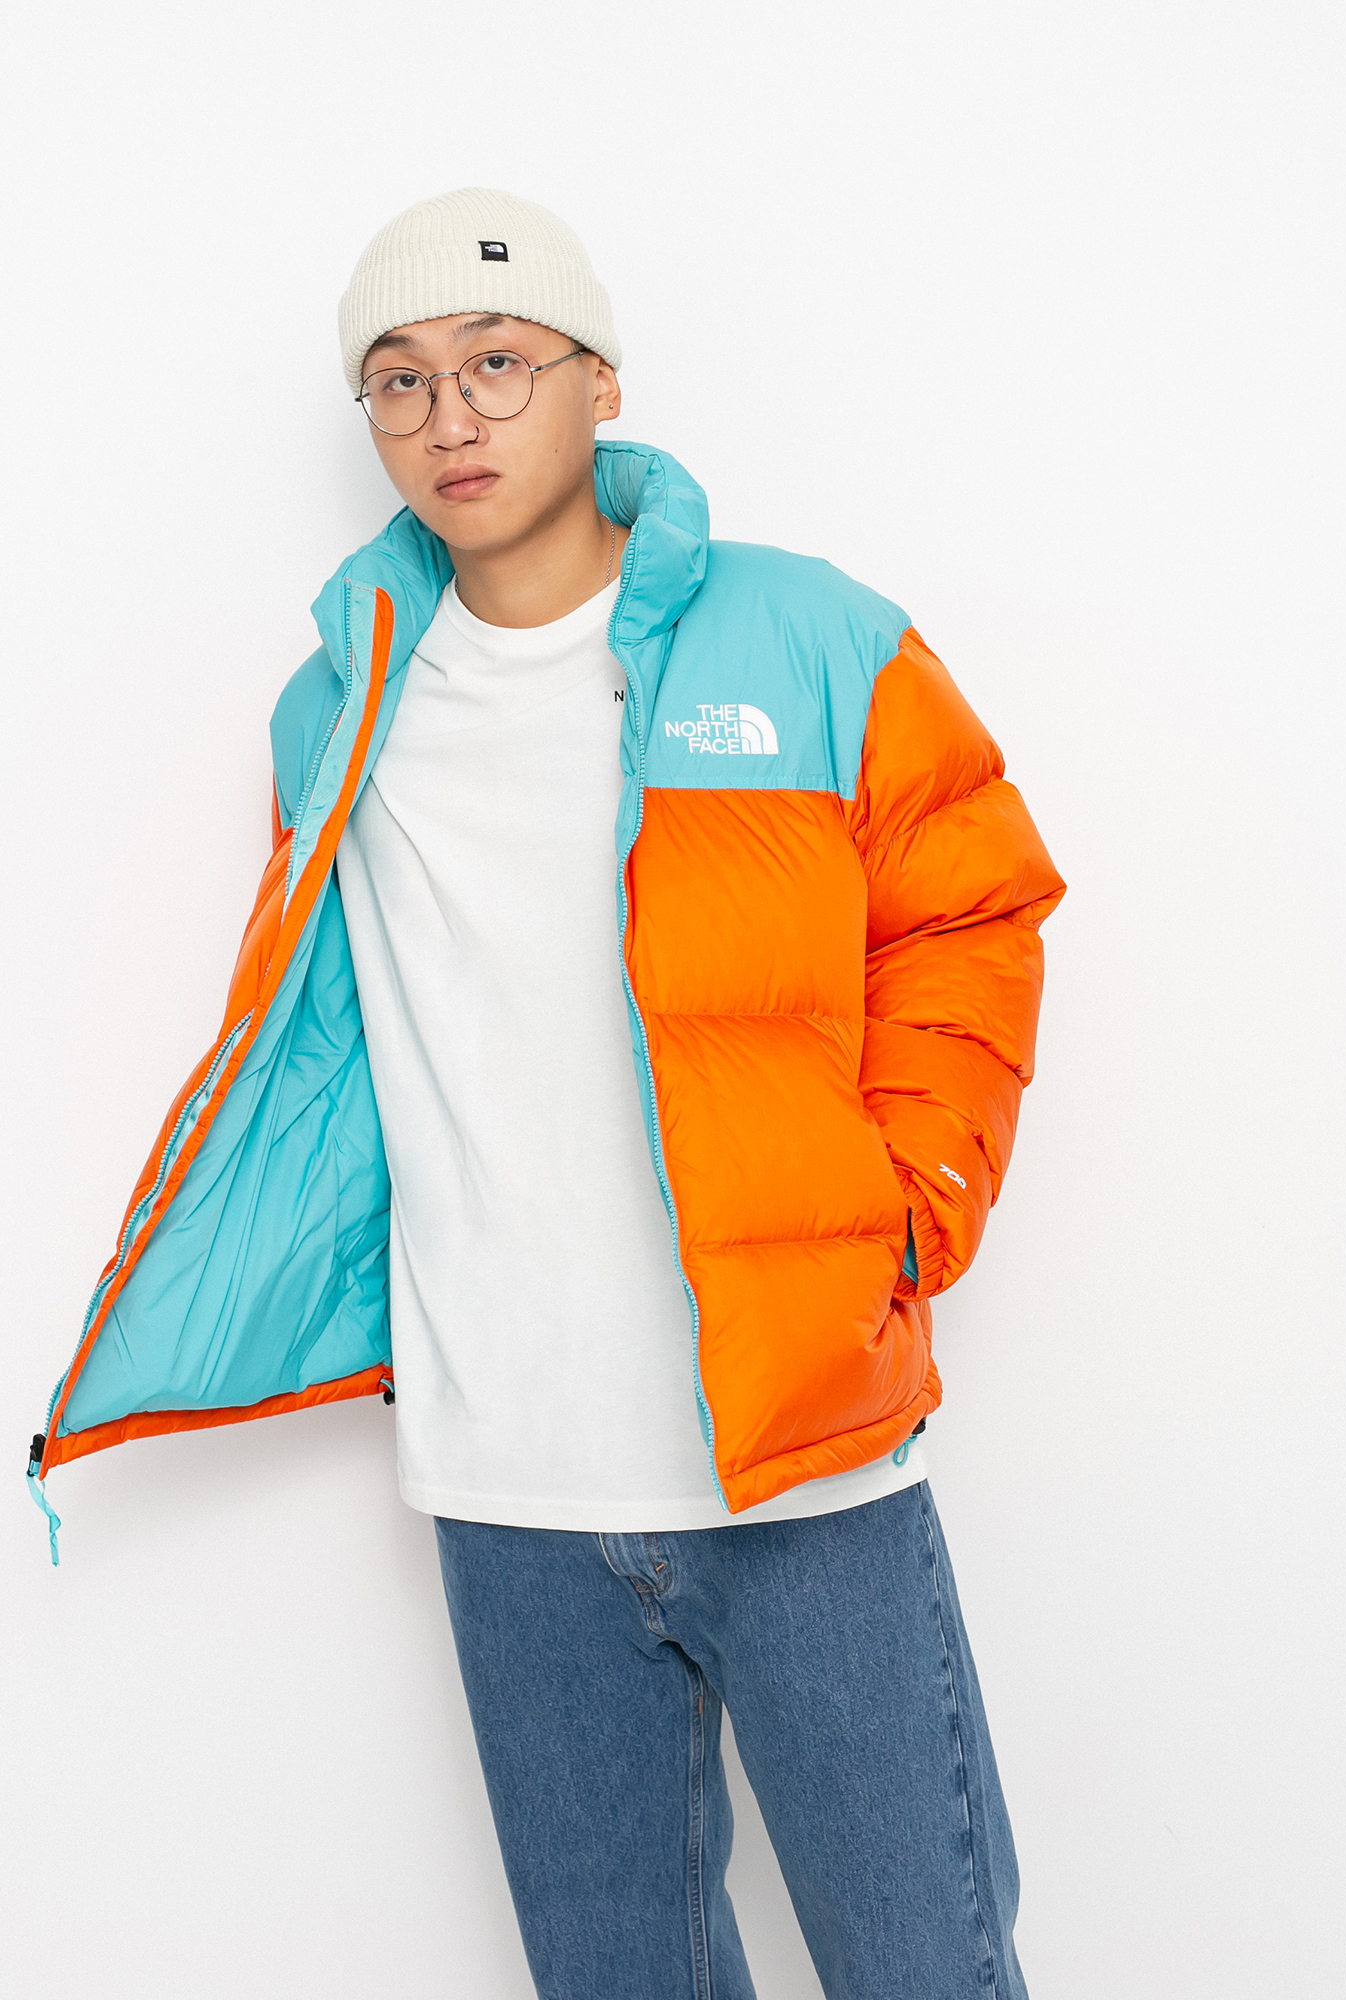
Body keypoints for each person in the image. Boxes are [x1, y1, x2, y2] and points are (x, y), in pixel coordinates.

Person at [30, 188, 1065, 2000]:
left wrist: (907, 1211)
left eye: (499, 363)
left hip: (798, 1468)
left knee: (925, 1971)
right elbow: (325, 1047)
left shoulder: (814, 636)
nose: (452, 416)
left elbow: (971, 910)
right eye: (401, 380)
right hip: (505, 1486)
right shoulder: (340, 705)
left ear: (600, 383)